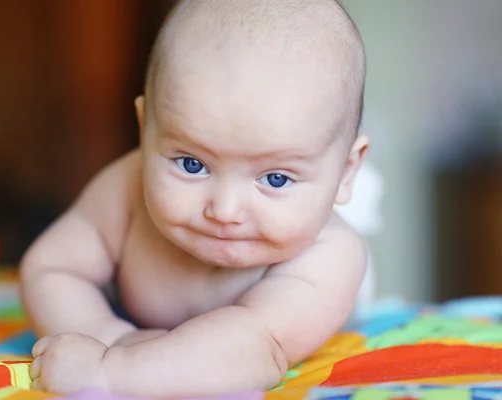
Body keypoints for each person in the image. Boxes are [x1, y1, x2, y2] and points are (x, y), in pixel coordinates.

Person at [20, 0, 370, 397]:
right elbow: (53, 268)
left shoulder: (327, 256)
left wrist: (112, 371)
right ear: (145, 129)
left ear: (346, 172)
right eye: (191, 164)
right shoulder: (126, 187)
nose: (223, 210)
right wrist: (105, 334)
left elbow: (252, 349)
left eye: (275, 178)